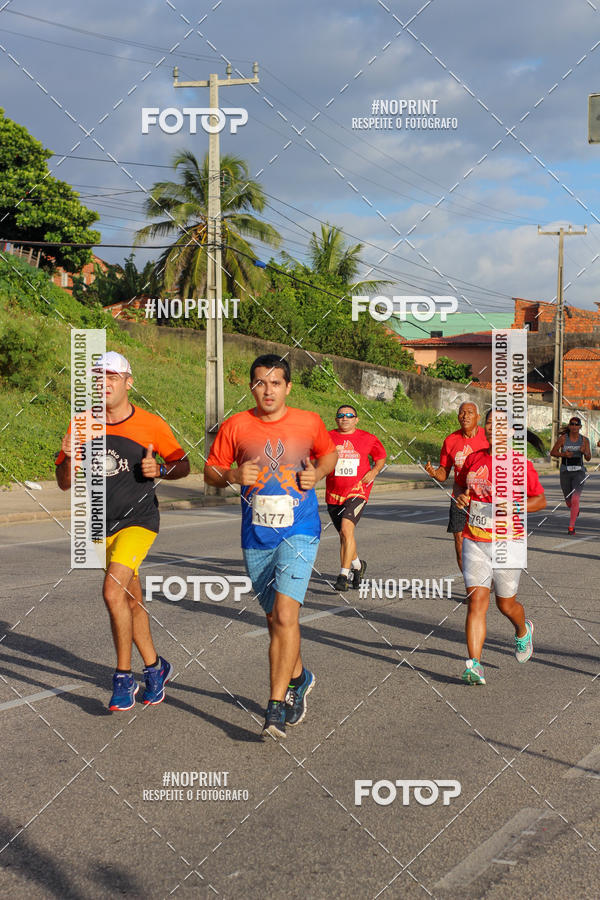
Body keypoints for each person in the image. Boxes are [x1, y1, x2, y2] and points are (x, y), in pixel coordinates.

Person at [204, 354, 337, 739]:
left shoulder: (309, 421)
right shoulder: (236, 425)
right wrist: (230, 474)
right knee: (276, 621)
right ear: (251, 387)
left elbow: (329, 453)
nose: (268, 389)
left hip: (301, 529)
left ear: (288, 387)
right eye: (261, 382)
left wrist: (318, 472)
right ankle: (300, 678)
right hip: (256, 535)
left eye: (276, 382)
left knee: (284, 614)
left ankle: (275, 707)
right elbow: (210, 470)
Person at [55, 351, 190, 710]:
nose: (105, 384)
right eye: (98, 379)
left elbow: (182, 463)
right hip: (100, 525)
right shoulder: (81, 424)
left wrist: (159, 469)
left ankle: (122, 678)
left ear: (128, 382)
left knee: (112, 593)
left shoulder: (150, 423)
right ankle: (156, 668)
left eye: (112, 377)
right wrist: (68, 457)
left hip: (139, 522)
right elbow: (64, 484)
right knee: (131, 601)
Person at [454, 409, 546, 685]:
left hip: (509, 542)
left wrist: (516, 505)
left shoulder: (520, 464)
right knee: (477, 602)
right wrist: (461, 498)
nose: (495, 428)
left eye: (501, 425)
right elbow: (460, 488)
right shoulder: (474, 459)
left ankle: (522, 629)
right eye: (491, 423)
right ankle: (474, 664)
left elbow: (540, 500)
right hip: (475, 540)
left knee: (505, 604)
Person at [325, 405, 386, 591]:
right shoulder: (327, 437)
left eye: (349, 415)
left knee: (346, 529)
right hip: (334, 494)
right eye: (341, 416)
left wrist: (374, 471)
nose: (345, 418)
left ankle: (343, 575)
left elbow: (381, 457)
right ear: (336, 419)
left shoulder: (367, 438)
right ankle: (358, 566)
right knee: (345, 535)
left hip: (358, 491)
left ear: (356, 420)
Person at [425, 401, 488, 570]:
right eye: (462, 412)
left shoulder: (488, 438)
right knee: (460, 543)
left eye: (470, 412)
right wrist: (434, 473)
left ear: (478, 417)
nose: (465, 416)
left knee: (484, 543)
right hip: (459, 498)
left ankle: (485, 579)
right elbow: (443, 473)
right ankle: (472, 587)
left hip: (485, 499)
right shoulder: (451, 440)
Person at [550, 416, 591, 535]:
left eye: (576, 424)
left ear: (580, 427)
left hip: (579, 472)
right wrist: (564, 454)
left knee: (575, 499)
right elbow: (553, 452)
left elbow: (588, 458)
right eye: (572, 424)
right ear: (569, 426)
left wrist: (585, 452)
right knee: (569, 501)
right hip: (565, 472)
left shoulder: (584, 440)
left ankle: (571, 527)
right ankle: (574, 508)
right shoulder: (563, 439)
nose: (574, 426)